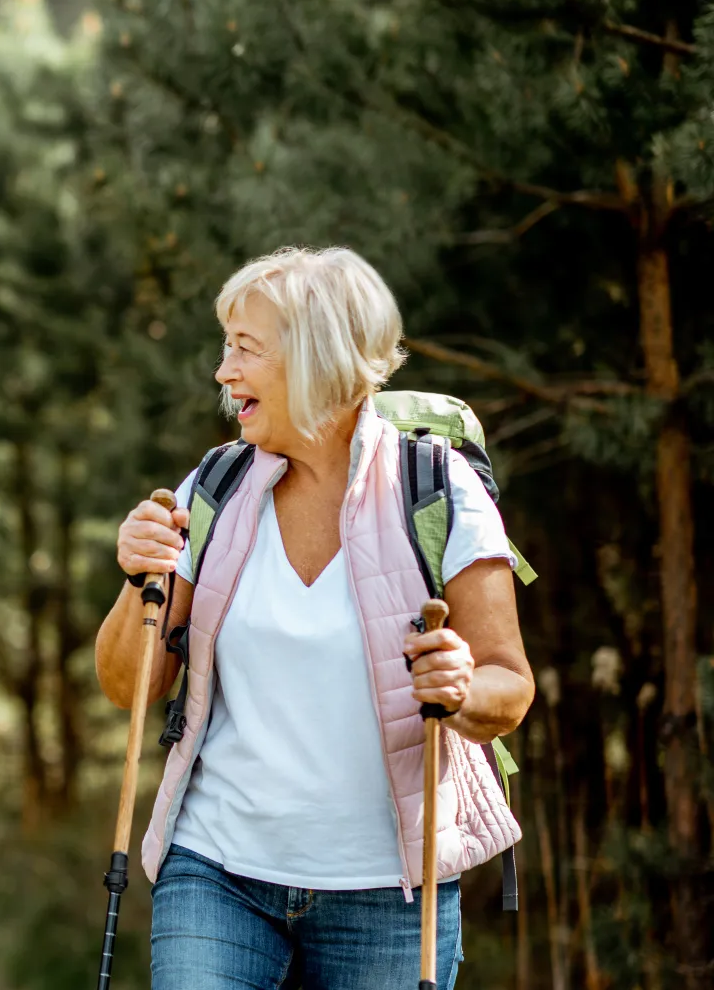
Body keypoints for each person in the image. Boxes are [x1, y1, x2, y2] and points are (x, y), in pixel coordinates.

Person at [95, 247, 532, 989]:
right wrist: (139, 577)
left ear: (316, 358)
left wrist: (461, 687)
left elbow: (509, 688)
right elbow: (127, 683)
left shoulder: (436, 488)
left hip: (388, 893)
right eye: (225, 347)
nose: (223, 372)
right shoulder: (216, 486)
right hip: (217, 871)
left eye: (245, 349)